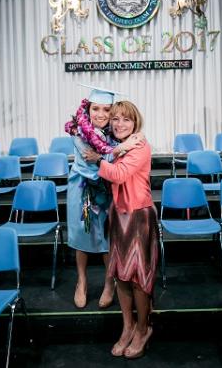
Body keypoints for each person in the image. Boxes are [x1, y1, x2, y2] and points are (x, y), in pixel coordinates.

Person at [84, 100, 158, 359]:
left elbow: (119, 174)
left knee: (138, 279)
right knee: (121, 276)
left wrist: (97, 160)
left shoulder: (140, 146)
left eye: (125, 119)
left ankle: (143, 328)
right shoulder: (117, 146)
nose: (119, 124)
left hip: (139, 216)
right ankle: (127, 327)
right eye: (114, 119)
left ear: (135, 122)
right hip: (119, 215)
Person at [66, 87, 143, 309]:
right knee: (82, 235)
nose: (100, 114)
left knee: (107, 238)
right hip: (83, 190)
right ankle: (81, 281)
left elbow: (112, 158)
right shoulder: (79, 134)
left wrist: (124, 145)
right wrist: (121, 148)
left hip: (108, 189)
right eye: (95, 108)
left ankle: (110, 283)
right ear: (87, 110)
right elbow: (92, 166)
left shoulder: (115, 132)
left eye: (106, 110)